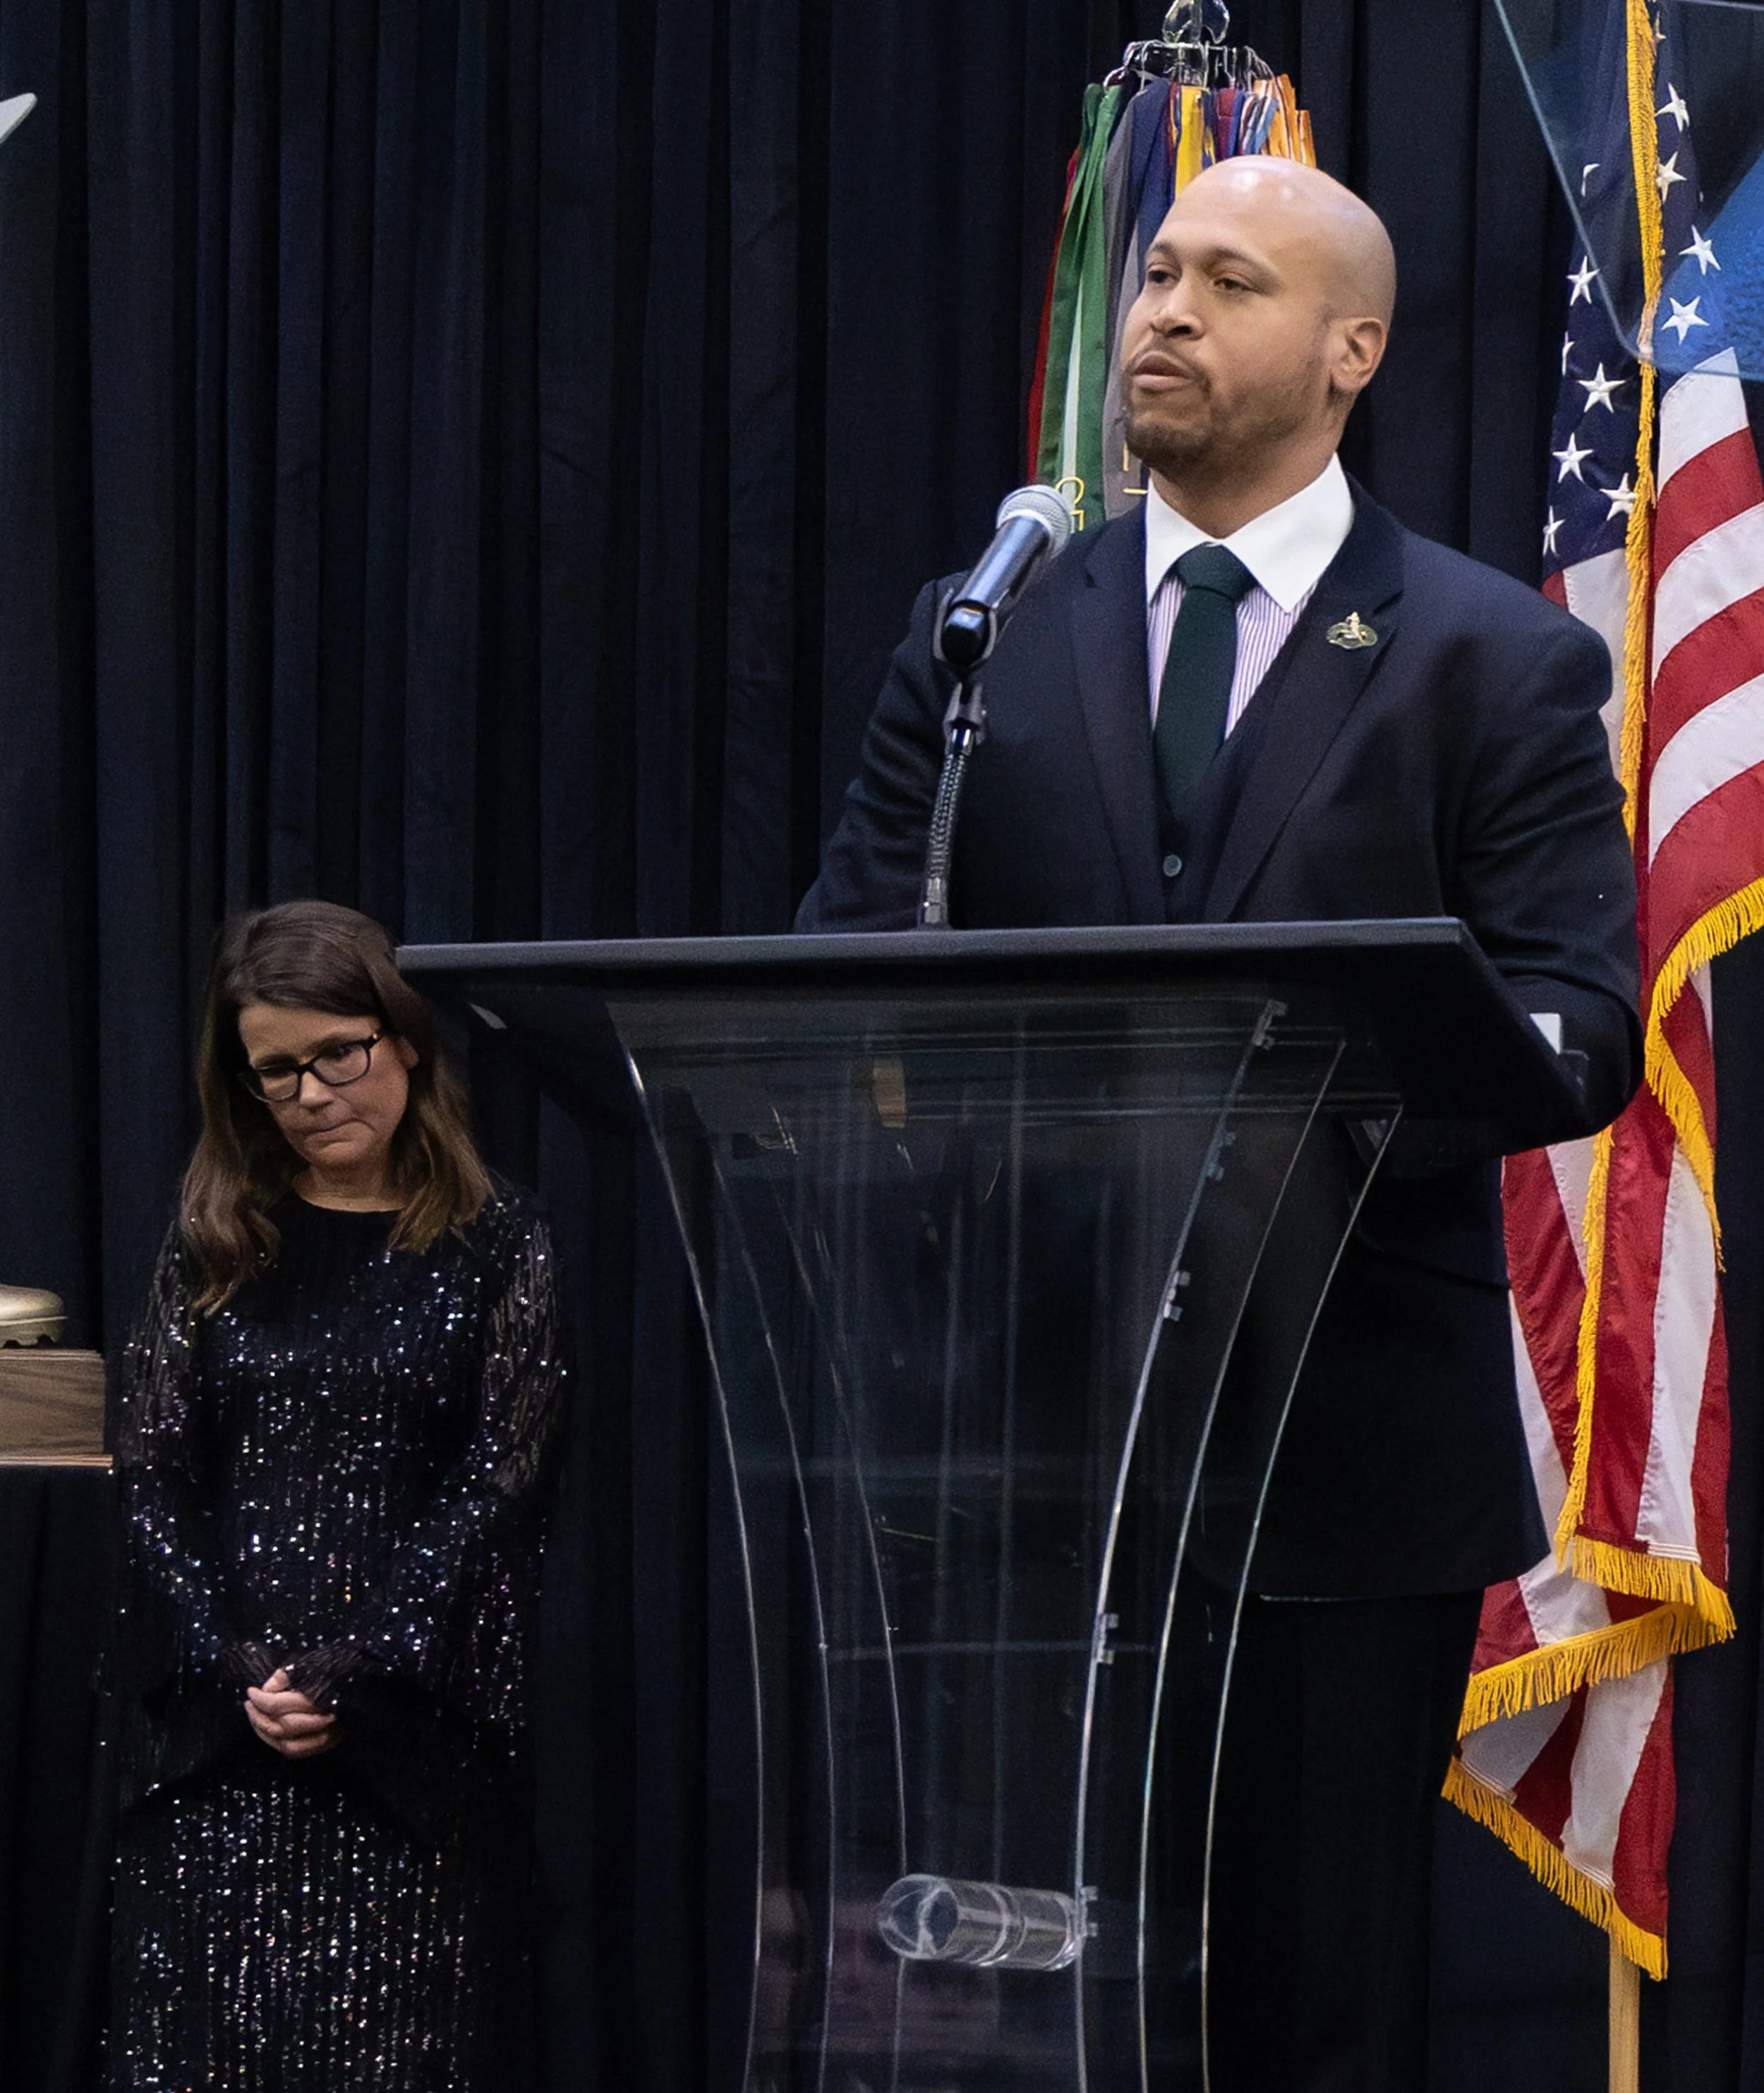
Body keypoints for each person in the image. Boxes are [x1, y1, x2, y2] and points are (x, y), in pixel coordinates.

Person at [797, 159, 1642, 2091]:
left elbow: (1576, 1024)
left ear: (1350, 351)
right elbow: (842, 959)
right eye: (1157, 271)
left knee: (1305, 2000)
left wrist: (1319, 1078)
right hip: (1019, 1445)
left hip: (1335, 1452)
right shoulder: (985, 627)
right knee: (1024, 2000)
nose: (1161, 309)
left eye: (1228, 281)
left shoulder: (1483, 656)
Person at [109, 900, 566, 2093]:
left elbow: (504, 1479)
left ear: (404, 1040)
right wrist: (239, 1660)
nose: (313, 1094)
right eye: (277, 1070)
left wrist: (357, 1663)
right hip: (227, 1736)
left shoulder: (501, 1239)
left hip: (416, 1749)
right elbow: (153, 1469)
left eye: (337, 1053)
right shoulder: (215, 1241)